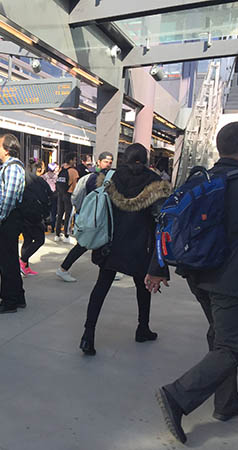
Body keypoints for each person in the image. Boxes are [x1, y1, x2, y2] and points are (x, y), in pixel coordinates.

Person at [147, 122, 238, 444]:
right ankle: (178, 396)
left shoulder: (200, 180)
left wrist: (158, 267)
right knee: (231, 346)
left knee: (220, 337)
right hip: (234, 280)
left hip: (198, 275)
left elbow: (167, 224)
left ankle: (227, 403)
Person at [79, 144, 171, 356]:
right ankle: (142, 328)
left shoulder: (111, 177)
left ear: (124, 158)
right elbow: (161, 218)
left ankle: (88, 334)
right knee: (143, 287)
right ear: (146, 159)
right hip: (140, 245)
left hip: (110, 243)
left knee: (101, 286)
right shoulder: (156, 182)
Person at [56, 151, 115, 283]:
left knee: (98, 243)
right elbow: (76, 197)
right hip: (96, 217)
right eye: (106, 161)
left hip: (95, 217)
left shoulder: (88, 178)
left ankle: (109, 269)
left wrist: (82, 210)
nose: (108, 164)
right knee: (85, 244)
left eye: (110, 162)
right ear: (98, 162)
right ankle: (63, 268)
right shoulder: (95, 178)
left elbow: (77, 197)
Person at [0, 133, 26, 314]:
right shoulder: (11, 167)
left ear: (7, 149)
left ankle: (9, 301)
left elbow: (9, 198)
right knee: (10, 260)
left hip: (8, 220)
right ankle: (18, 297)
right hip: (11, 219)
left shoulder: (11, 168)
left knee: (6, 262)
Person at [19, 158, 49, 276]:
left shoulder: (23, 178)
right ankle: (23, 261)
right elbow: (48, 196)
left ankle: (25, 266)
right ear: (40, 169)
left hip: (23, 214)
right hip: (35, 215)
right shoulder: (40, 181)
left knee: (27, 240)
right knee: (39, 240)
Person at [54, 154, 79, 244]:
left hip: (60, 194)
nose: (75, 162)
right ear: (71, 160)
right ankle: (66, 235)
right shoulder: (73, 171)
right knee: (68, 215)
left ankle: (57, 234)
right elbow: (75, 185)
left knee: (59, 214)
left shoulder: (62, 169)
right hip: (68, 195)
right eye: (74, 160)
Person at [42, 162, 59, 233]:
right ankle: (52, 226)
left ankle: (45, 226)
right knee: (53, 211)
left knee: (45, 210)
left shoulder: (44, 176)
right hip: (54, 195)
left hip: (46, 195)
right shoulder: (56, 176)